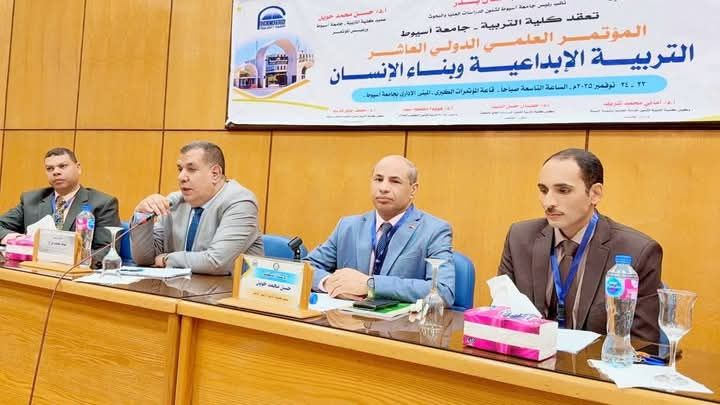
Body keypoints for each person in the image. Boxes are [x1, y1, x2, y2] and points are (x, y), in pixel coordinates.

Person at [498, 148, 662, 342]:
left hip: (594, 360)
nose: (548, 202)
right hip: (529, 355)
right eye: (543, 190)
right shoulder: (519, 238)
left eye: (563, 190)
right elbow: (501, 317)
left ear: (595, 194)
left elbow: (642, 343)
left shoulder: (638, 252)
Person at [306, 155, 455, 305]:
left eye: (395, 181)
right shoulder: (348, 226)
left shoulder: (434, 230)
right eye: (378, 179)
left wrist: (371, 285)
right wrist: (329, 283)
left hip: (400, 319)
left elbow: (443, 291)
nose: (383, 188)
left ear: (413, 190)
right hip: (345, 317)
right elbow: (304, 268)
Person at [131, 141, 263, 274]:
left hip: (229, 286)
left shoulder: (240, 202)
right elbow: (144, 259)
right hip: (182, 285)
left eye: (191, 169)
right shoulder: (176, 202)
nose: (181, 177)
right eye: (180, 169)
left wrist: (167, 259)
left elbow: (216, 262)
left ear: (215, 174)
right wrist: (142, 215)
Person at [0, 147, 120, 251]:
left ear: (78, 168)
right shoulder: (31, 200)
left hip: (72, 268)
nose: (56, 172)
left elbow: (106, 250)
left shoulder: (102, 203)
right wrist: (18, 239)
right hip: (33, 266)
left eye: (62, 166)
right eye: (50, 168)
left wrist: (67, 255)